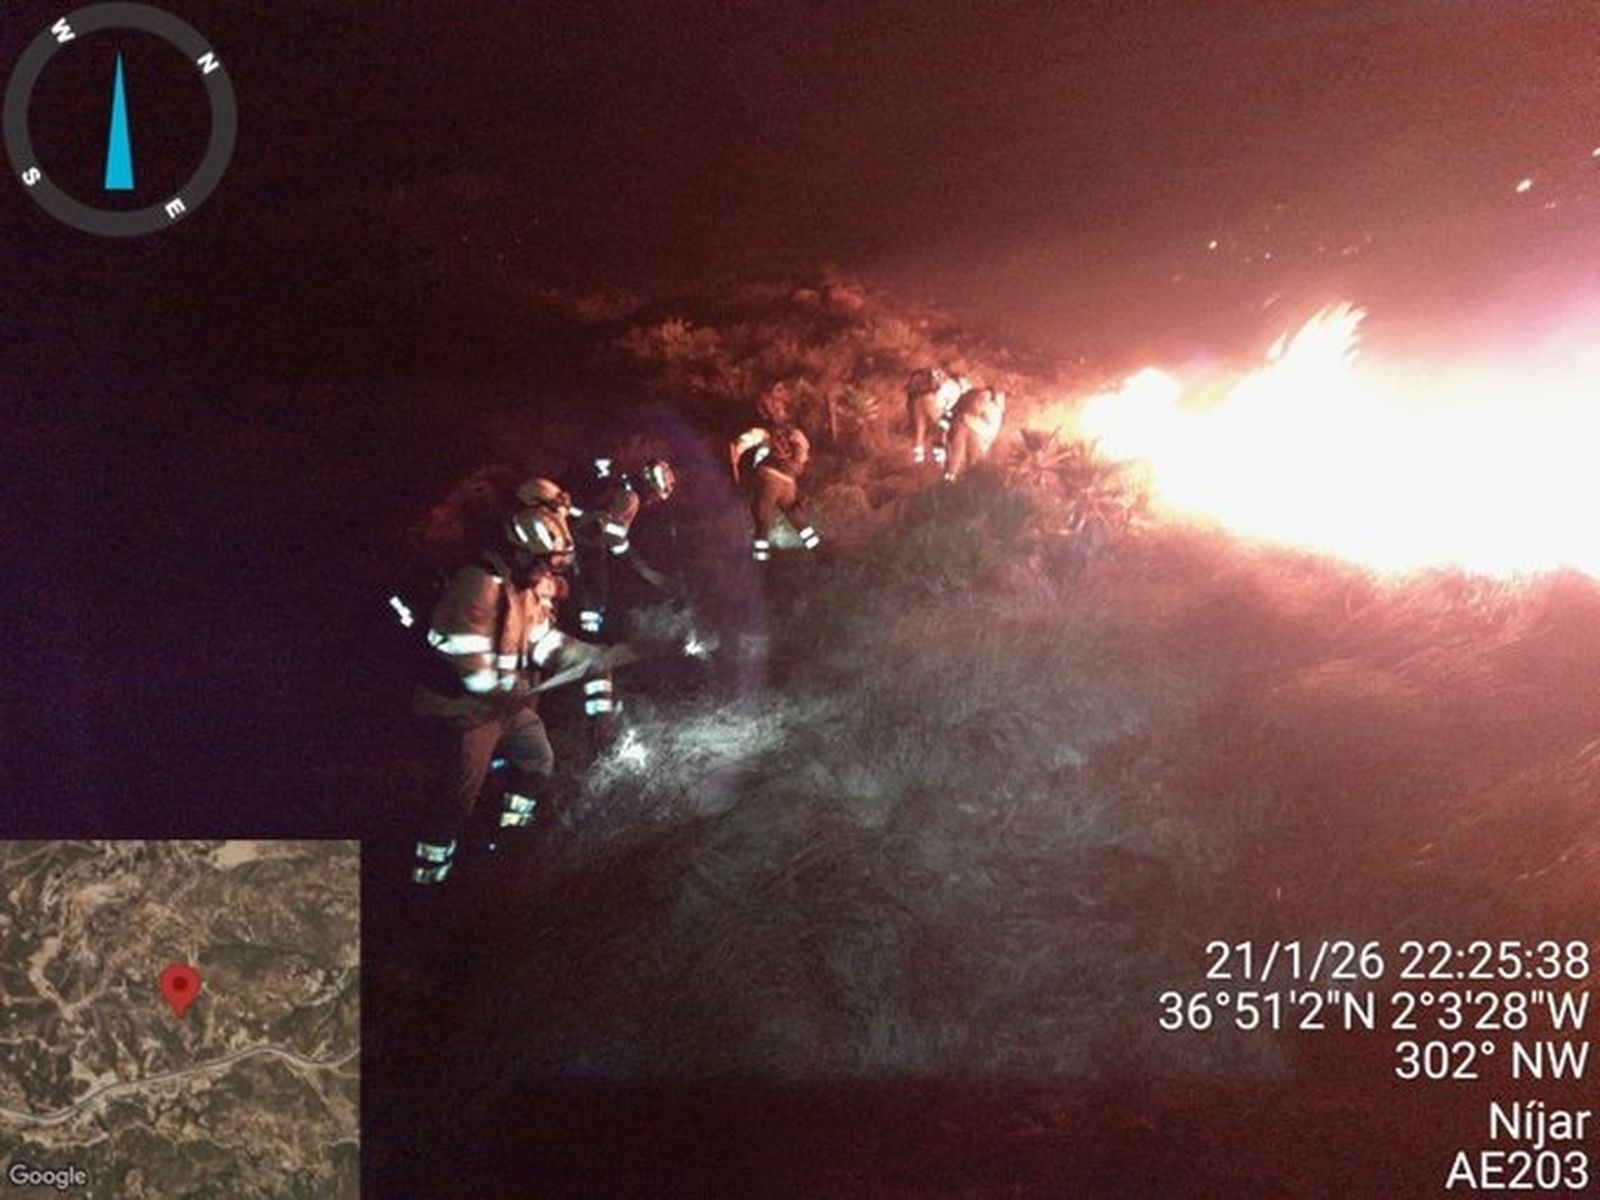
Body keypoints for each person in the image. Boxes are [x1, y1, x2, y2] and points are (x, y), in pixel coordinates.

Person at [408, 501, 605, 888]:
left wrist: (584, 655)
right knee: (457, 799)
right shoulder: (476, 585)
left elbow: (540, 640)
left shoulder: (524, 589)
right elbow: (466, 660)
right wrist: (506, 691)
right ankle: (428, 877)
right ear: (520, 552)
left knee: (538, 760)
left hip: (503, 706)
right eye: (543, 562)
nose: (548, 573)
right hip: (465, 711)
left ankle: (510, 836)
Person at [743, 423, 819, 562]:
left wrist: (739, 451)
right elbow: (802, 460)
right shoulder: (796, 436)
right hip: (788, 483)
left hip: (769, 480)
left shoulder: (768, 435)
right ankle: (819, 551)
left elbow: (751, 448)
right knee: (796, 517)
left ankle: (760, 559)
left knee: (762, 518)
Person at [943, 385, 1007, 482]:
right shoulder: (992, 409)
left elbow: (989, 430)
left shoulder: (993, 409)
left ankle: (952, 478)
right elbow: (989, 431)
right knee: (964, 455)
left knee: (961, 455)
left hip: (970, 426)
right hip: (971, 427)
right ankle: (954, 478)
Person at [906, 368, 965, 466]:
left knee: (920, 428)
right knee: (942, 429)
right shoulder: (955, 388)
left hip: (918, 400)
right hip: (932, 401)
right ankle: (940, 460)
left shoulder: (944, 381)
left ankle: (918, 460)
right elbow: (948, 407)